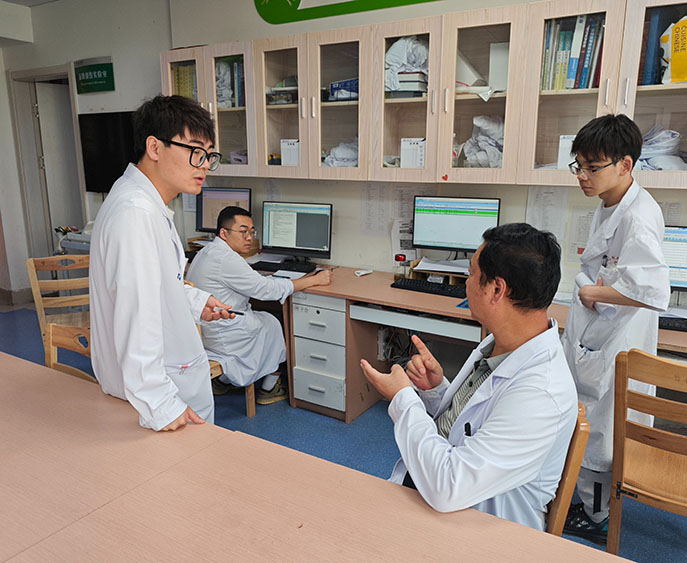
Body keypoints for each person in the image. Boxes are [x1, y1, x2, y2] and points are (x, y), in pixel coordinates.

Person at [360, 223, 578, 531]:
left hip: (480, 528)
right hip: (437, 495)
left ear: (497, 290)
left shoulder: (541, 394)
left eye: (472, 274)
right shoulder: (502, 344)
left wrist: (403, 399)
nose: (466, 282)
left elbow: (449, 487)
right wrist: (436, 390)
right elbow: (472, 424)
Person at [90, 95, 234, 432]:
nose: (204, 165)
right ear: (154, 147)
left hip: (165, 390)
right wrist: (161, 405)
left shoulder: (141, 202)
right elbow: (136, 315)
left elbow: (156, 283)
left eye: (209, 155)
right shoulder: (135, 214)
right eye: (195, 151)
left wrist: (196, 302)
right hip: (163, 401)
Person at [561, 114, 670, 544]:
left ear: (625, 164)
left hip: (615, 339)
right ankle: (591, 503)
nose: (582, 176)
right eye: (579, 166)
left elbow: (651, 291)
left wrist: (594, 294)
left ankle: (599, 516)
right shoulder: (612, 202)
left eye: (593, 167)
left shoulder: (639, 216)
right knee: (591, 422)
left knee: (604, 431)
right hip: (598, 333)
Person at [186, 206, 333, 404]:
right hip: (225, 334)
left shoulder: (207, 251)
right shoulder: (226, 259)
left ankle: (222, 381)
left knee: (263, 317)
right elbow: (266, 290)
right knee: (276, 322)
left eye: (252, 232)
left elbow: (253, 283)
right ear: (224, 233)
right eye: (243, 232)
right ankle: (269, 388)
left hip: (203, 333)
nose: (249, 238)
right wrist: (313, 280)